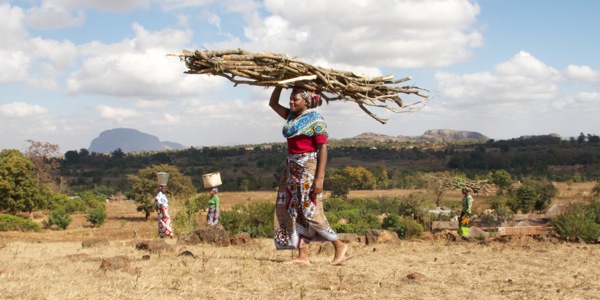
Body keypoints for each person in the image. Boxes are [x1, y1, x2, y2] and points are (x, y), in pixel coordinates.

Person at [269, 86, 351, 265]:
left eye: (295, 99)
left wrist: (319, 178)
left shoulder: (315, 120)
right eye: (290, 98)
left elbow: (323, 148)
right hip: (292, 168)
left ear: (306, 101)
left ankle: (339, 245)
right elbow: (272, 103)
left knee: (310, 210)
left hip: (308, 168)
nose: (291, 101)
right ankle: (303, 256)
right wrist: (280, 85)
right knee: (293, 210)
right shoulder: (291, 116)